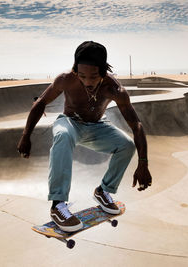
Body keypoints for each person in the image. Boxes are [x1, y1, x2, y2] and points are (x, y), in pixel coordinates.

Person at [17, 41, 152, 232]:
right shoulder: (65, 79)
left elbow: (136, 125)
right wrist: (26, 135)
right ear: (75, 70)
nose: (88, 82)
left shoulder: (114, 89)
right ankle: (58, 205)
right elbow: (40, 102)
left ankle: (103, 191)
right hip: (70, 122)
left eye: (94, 77)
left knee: (127, 145)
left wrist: (143, 163)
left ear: (104, 72)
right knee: (62, 134)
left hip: (98, 126)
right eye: (82, 76)